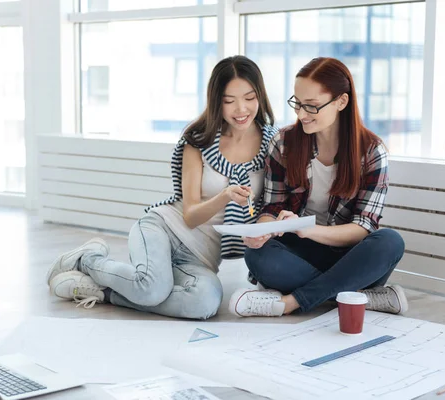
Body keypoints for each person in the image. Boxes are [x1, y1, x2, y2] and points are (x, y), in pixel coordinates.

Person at [45, 55, 278, 320]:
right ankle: (87, 259)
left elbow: (272, 204)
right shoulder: (198, 140)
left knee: (204, 303)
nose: (241, 109)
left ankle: (103, 291)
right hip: (163, 230)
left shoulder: (273, 142)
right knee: (152, 289)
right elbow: (190, 215)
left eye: (249, 98)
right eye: (229, 101)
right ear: (216, 101)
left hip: (200, 259)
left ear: (260, 95)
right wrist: (224, 197)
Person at [228, 57, 407, 318]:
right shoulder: (284, 142)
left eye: (311, 107)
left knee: (390, 242)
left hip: (349, 256)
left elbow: (362, 228)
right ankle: (357, 296)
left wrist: (308, 229)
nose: (301, 115)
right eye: (297, 104)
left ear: (341, 102)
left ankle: (291, 302)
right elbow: (272, 205)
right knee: (257, 255)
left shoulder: (371, 152)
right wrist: (262, 230)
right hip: (302, 255)